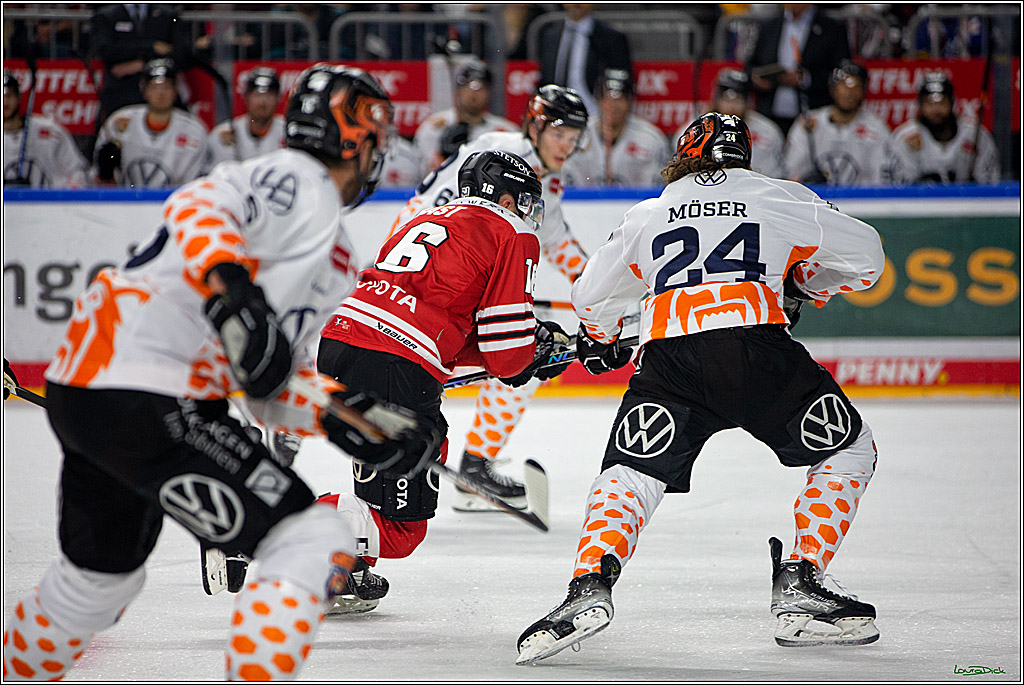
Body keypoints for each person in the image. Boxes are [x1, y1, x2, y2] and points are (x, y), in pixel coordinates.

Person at [1, 63, 437, 681]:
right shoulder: (296, 178)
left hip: (97, 389)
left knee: (96, 584)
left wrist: (349, 416)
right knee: (310, 540)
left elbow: (267, 382)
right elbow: (202, 203)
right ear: (353, 137)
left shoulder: (337, 256)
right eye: (375, 138)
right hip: (151, 386)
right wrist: (230, 289)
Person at [515, 112, 885, 664]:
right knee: (849, 450)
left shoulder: (650, 211)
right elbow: (868, 257)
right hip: (756, 351)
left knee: (631, 474)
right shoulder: (780, 195)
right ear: (744, 157)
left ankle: (588, 584)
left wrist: (604, 336)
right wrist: (804, 283)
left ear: (684, 155)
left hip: (670, 359)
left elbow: (591, 295)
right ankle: (802, 581)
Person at [317, 150, 571, 614]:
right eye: (527, 201)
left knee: (388, 479)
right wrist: (535, 352)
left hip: (343, 341)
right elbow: (507, 355)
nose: (531, 213)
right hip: (393, 359)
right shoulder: (511, 231)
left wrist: (527, 350)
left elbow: (446, 337)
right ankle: (266, 527)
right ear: (509, 197)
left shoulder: (432, 215)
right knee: (400, 530)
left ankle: (339, 563)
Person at [391, 84, 591, 513]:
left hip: (449, 282)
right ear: (535, 125)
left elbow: (561, 246)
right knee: (519, 351)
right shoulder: (496, 153)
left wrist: (610, 291)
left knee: (528, 355)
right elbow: (433, 211)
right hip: (424, 284)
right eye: (560, 134)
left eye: (575, 139)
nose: (567, 147)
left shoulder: (540, 183)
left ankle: (475, 468)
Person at [93, 58, 208, 188]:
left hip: (174, 202)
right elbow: (96, 182)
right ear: (144, 90)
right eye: (154, 87)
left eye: (166, 87)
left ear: (176, 90)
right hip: (124, 204)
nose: (160, 94)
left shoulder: (194, 130)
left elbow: (198, 186)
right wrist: (105, 174)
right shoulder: (119, 122)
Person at [745, 4, 850, 134]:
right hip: (770, 118)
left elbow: (841, 74)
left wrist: (805, 79)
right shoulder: (769, 26)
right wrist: (757, 79)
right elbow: (750, 67)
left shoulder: (832, 28)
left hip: (813, 119)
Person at [783, 60, 890, 185]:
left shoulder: (875, 128)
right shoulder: (809, 123)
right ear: (833, 89)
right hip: (816, 200)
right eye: (843, 84)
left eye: (856, 86)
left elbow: (883, 178)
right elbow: (792, 172)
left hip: (863, 201)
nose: (849, 92)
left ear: (864, 91)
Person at [882, 72, 1000, 185]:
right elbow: (898, 188)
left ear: (952, 103)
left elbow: (991, 183)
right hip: (918, 204)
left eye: (942, 103)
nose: (936, 110)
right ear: (920, 106)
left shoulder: (975, 135)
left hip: (968, 203)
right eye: (929, 103)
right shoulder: (904, 138)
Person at [562, 68, 671, 186]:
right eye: (606, 98)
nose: (612, 105)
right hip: (581, 204)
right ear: (597, 100)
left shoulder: (651, 139)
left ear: (630, 101)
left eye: (619, 99)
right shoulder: (577, 135)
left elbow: (661, 189)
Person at [90, 3, 191, 127]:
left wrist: (143, 65)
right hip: (120, 93)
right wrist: (152, 47)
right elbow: (105, 50)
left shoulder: (168, 14)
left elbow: (181, 53)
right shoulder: (106, 16)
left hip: (160, 93)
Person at [412, 59, 517, 177]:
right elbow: (422, 173)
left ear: (489, 92)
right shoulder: (434, 127)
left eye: (480, 88)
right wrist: (445, 157)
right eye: (468, 87)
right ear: (457, 91)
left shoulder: (507, 131)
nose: (473, 94)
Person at [672, 67, 784, 178]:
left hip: (758, 188)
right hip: (708, 188)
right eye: (727, 99)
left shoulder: (768, 131)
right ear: (716, 99)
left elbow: (778, 173)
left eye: (739, 99)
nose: (733, 106)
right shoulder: (694, 130)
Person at [538, 4, 633, 117]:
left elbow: (623, 81)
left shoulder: (612, 37)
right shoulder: (550, 35)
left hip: (595, 115)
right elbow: (545, 78)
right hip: (556, 113)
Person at [3, 70, 89, 187]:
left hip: (48, 203)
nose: (5, 102)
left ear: (18, 97)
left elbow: (77, 172)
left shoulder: (50, 131)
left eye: (9, 95)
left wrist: (64, 200)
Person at [204, 66, 285, 172]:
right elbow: (212, 179)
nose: (262, 102)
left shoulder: (287, 132)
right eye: (257, 95)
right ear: (245, 98)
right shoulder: (224, 133)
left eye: (269, 95)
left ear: (278, 99)